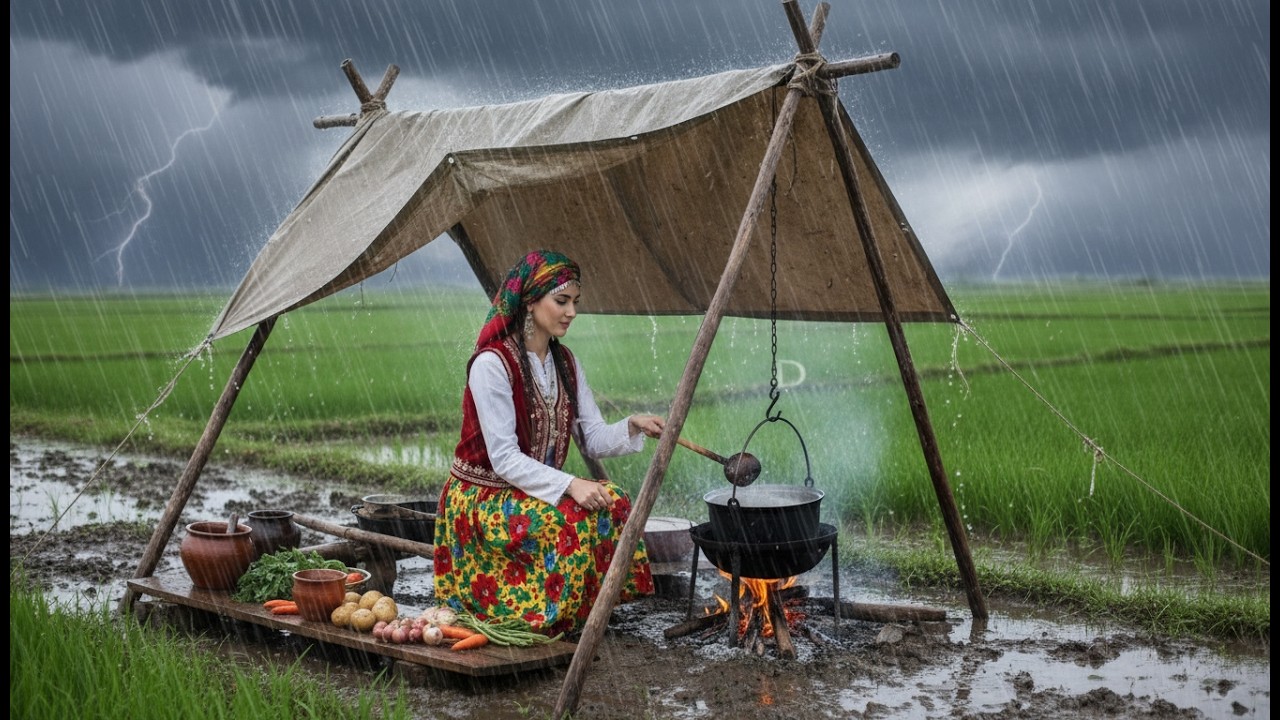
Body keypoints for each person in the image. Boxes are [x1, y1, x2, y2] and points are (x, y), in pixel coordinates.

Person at [433, 249, 664, 636]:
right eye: (562, 301)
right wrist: (571, 484)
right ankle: (542, 618)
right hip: (485, 498)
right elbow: (504, 459)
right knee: (568, 522)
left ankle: (587, 610)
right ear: (530, 302)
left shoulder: (566, 363)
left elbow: (591, 437)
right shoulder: (492, 364)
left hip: (531, 491)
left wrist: (633, 426)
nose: (571, 311)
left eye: (575, 302)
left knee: (615, 503)